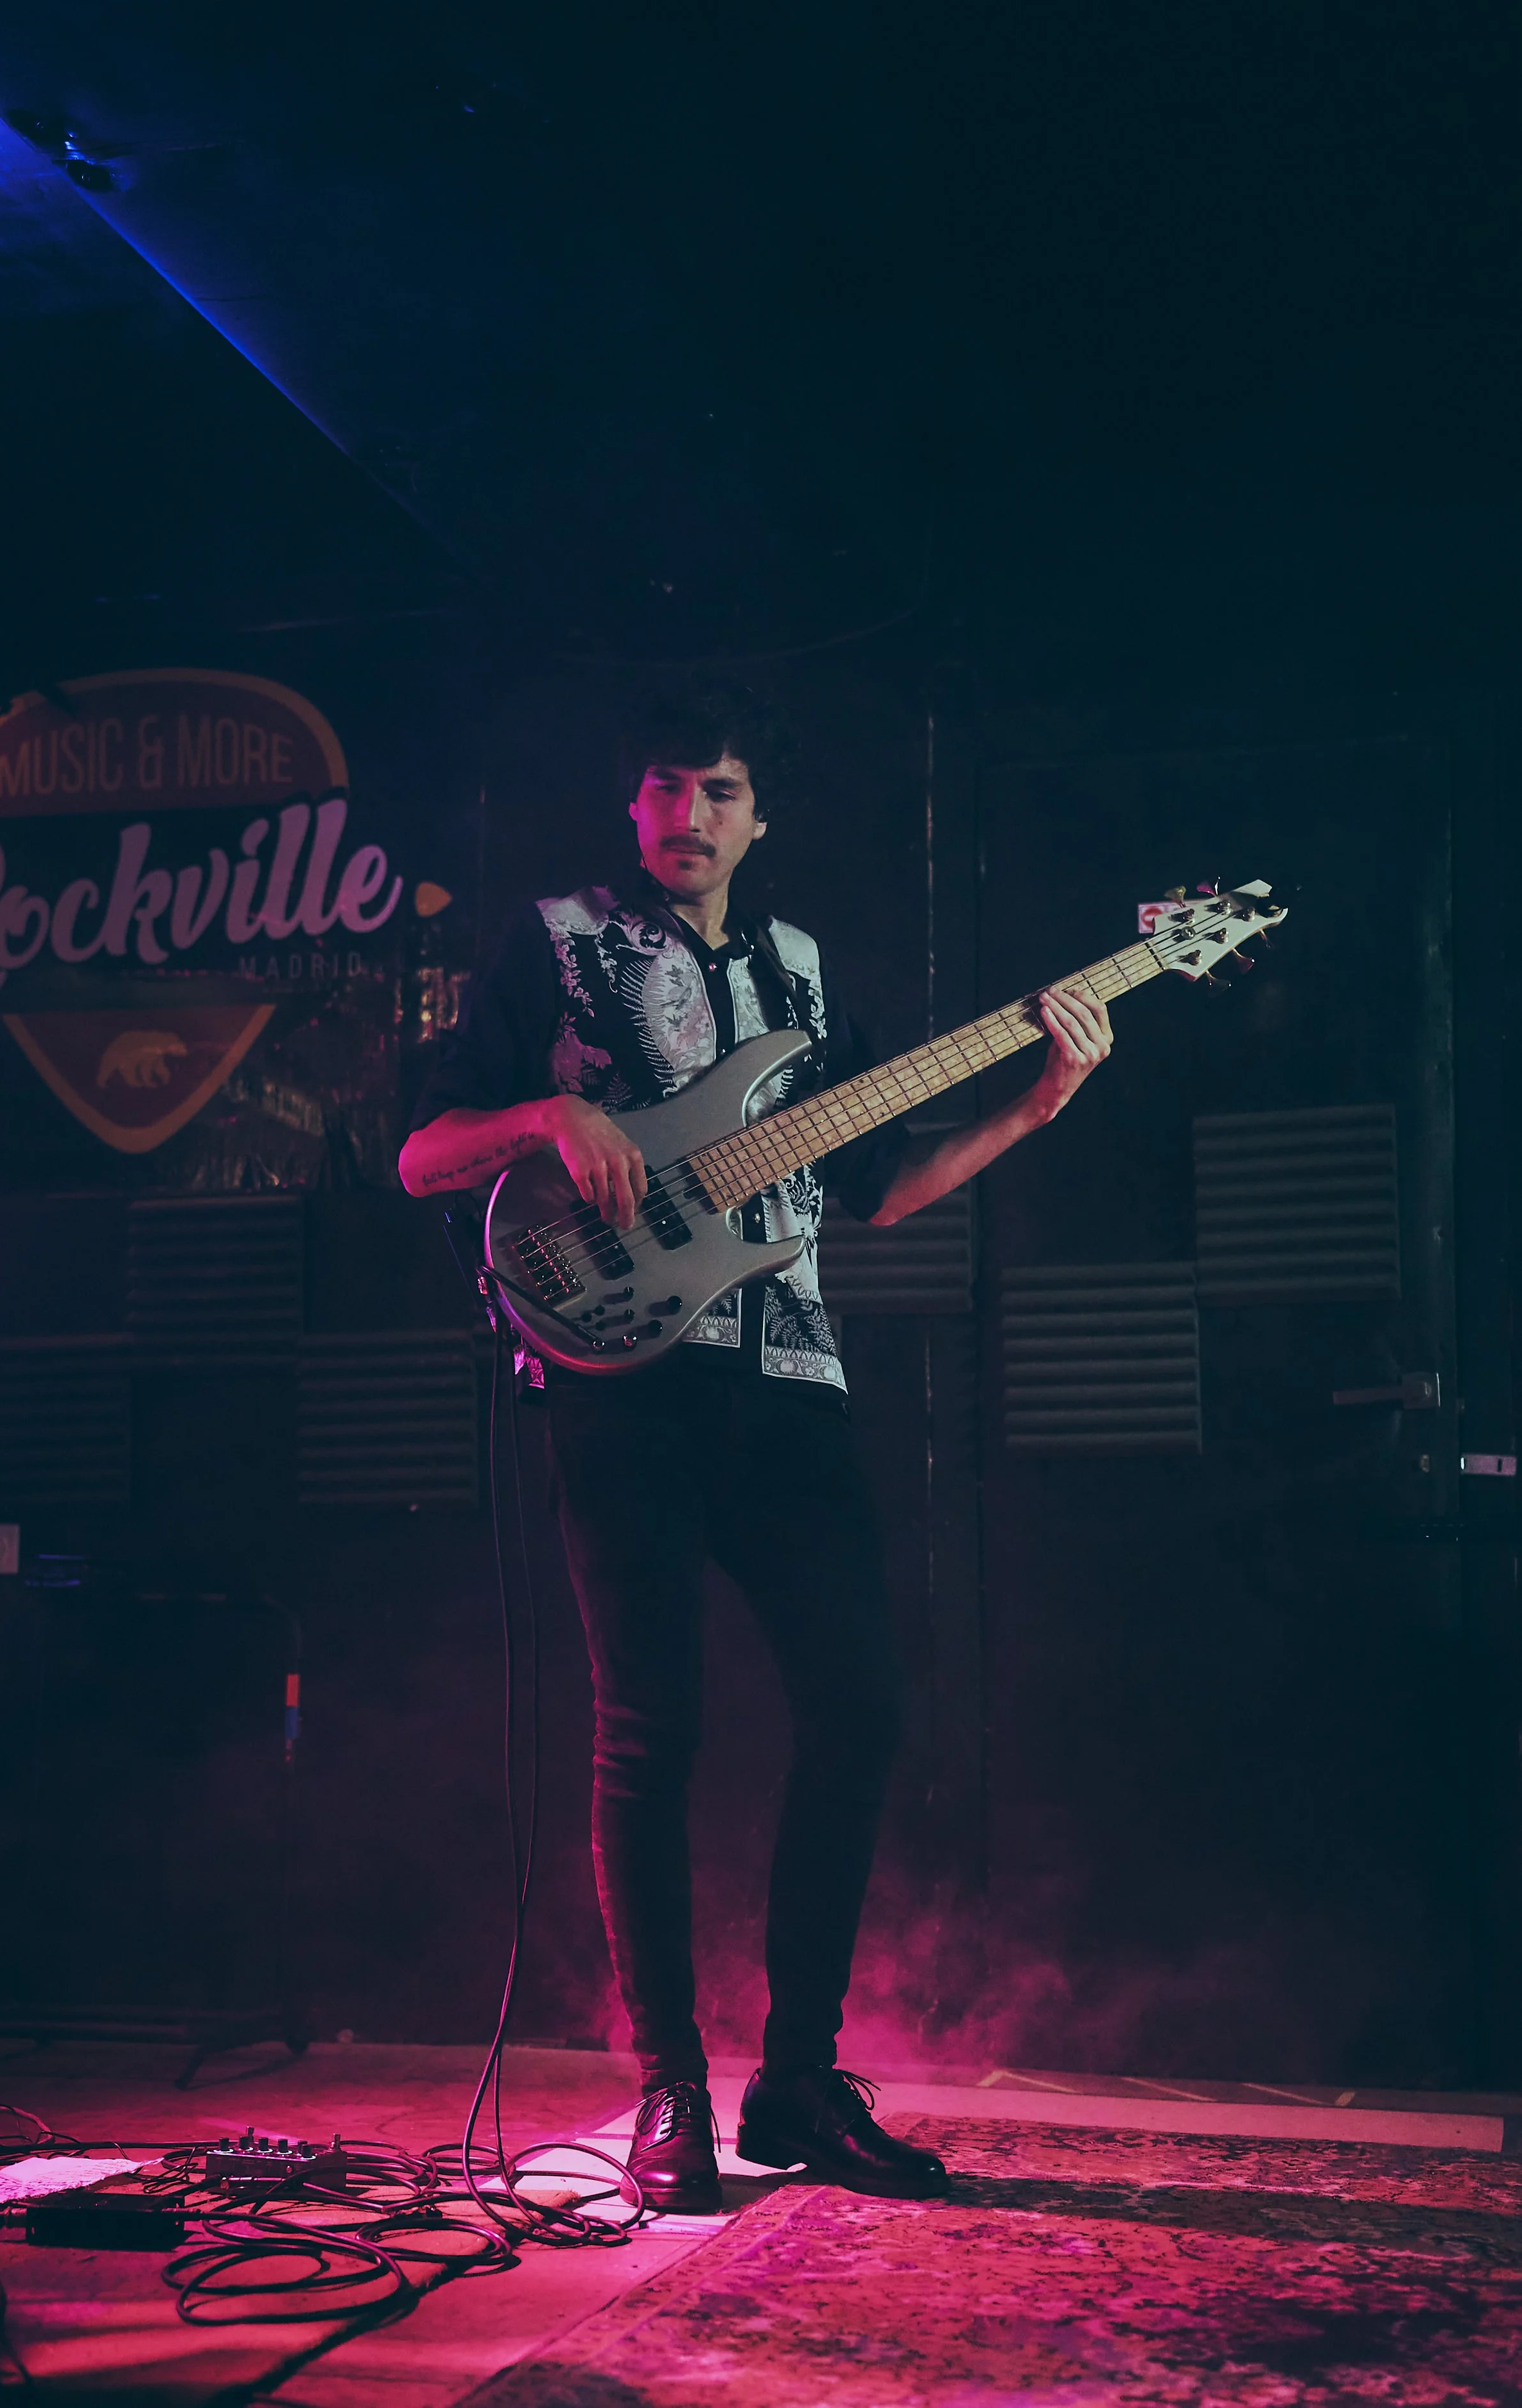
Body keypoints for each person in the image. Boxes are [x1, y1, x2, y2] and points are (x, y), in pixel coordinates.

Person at [399, 688, 1112, 2212]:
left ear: (753, 818)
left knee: (858, 1711)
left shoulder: (799, 978)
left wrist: (1040, 1095)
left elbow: (886, 1190)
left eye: (717, 792)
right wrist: (539, 1114)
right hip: (617, 1385)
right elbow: (417, 1154)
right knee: (649, 1731)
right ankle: (669, 2093)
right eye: (665, 789)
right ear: (634, 808)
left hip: (786, 1382)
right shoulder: (555, 942)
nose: (690, 817)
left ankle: (798, 2082)